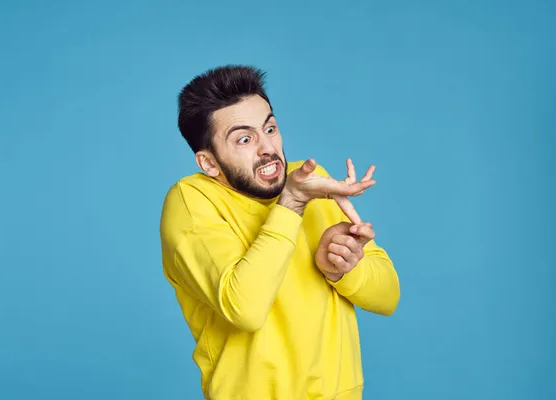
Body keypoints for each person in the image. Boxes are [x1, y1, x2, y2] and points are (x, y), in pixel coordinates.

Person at [159, 65, 400, 400]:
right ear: (209, 163)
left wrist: (343, 269)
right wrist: (292, 203)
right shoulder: (191, 201)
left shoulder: (310, 181)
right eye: (244, 139)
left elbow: (388, 297)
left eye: (269, 128)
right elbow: (245, 308)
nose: (267, 148)